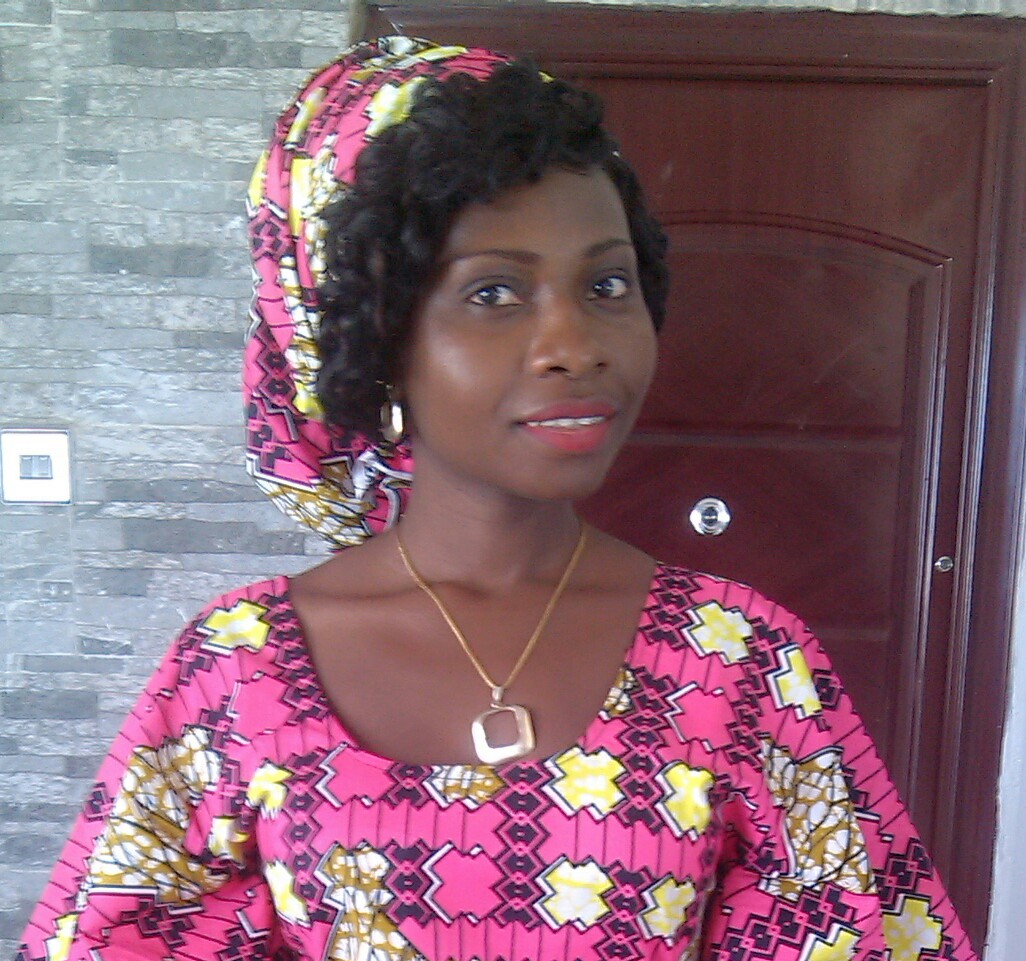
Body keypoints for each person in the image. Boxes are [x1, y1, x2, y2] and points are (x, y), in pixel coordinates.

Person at [18, 36, 976, 961]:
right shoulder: (235, 672)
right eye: (493, 294)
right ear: (376, 338)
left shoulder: (742, 664)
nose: (575, 345)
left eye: (607, 283)